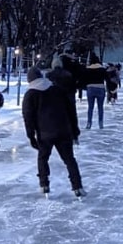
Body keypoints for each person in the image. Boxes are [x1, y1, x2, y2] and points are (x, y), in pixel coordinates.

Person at [22, 66, 86, 198]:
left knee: (43, 158)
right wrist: (75, 130)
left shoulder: (30, 94)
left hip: (45, 133)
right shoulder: (58, 89)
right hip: (64, 130)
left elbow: (28, 117)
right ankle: (77, 187)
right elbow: (71, 110)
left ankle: (44, 185)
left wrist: (31, 136)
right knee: (69, 159)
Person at [84, 54, 107, 129]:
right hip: (100, 88)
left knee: (90, 107)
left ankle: (89, 123)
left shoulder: (87, 69)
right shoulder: (102, 69)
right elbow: (107, 79)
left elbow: (84, 80)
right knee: (100, 107)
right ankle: (101, 123)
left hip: (90, 88)